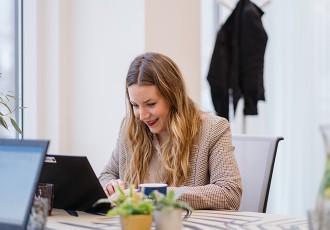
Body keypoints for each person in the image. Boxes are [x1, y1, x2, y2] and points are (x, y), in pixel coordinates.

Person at [98, 52, 242, 210]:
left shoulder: (213, 129)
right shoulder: (130, 126)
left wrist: (155, 195)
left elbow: (230, 193)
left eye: (151, 104)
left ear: (173, 96)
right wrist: (111, 187)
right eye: (135, 105)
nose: (142, 115)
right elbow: (106, 175)